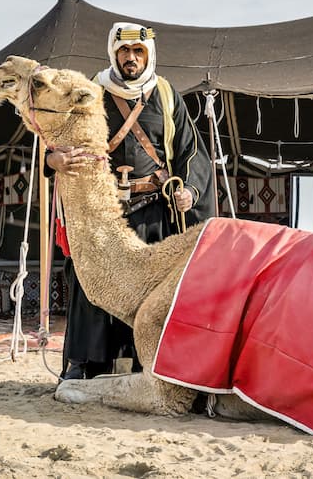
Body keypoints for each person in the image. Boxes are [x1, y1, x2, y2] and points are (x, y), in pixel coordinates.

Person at [46, 22, 216, 380]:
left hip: (152, 207)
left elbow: (191, 152)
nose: (131, 58)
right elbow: (55, 136)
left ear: (148, 55)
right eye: (124, 51)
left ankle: (147, 366)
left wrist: (189, 190)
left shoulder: (166, 95)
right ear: (113, 53)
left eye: (138, 52)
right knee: (88, 280)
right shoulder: (89, 93)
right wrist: (53, 161)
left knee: (150, 290)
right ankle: (83, 364)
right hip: (101, 210)